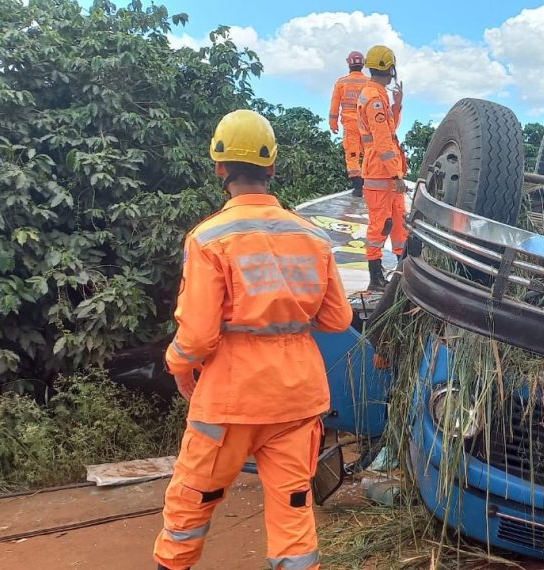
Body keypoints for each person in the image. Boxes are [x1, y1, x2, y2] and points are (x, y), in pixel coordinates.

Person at [153, 109, 353, 570]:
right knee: (294, 513)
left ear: (219, 167)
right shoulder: (313, 237)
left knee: (191, 505)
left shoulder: (209, 238)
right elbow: (338, 319)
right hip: (298, 399)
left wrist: (179, 366)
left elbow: (198, 335)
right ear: (272, 168)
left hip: (229, 399)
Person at [357, 44, 408, 290]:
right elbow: (383, 140)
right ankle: (375, 278)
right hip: (381, 173)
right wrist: (397, 174)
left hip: (386, 174)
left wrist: (397, 105)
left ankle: (402, 268)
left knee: (399, 222)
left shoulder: (378, 95)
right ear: (390, 68)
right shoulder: (375, 98)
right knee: (380, 225)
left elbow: (388, 129)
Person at [329, 51, 369, 197]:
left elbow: (335, 104)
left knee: (352, 154)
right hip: (367, 125)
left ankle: (358, 187)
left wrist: (333, 123)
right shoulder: (369, 83)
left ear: (348, 63)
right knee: (369, 153)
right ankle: (369, 182)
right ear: (363, 64)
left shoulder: (342, 83)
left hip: (350, 124)